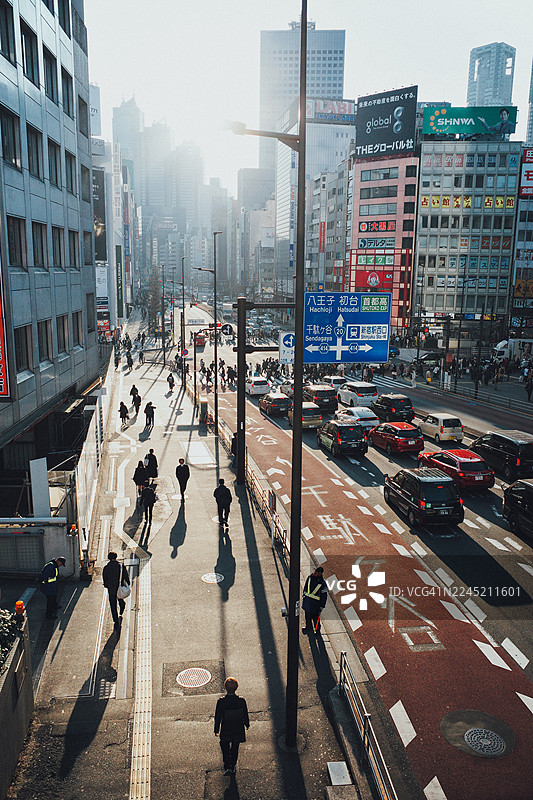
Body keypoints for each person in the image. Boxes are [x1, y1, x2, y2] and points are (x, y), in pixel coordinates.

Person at [214, 677, 250, 776]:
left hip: (226, 728)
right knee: (235, 747)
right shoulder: (241, 701)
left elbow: (218, 716)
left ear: (225, 687)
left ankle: (227, 765)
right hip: (237, 728)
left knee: (225, 746)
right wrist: (247, 724)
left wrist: (216, 729)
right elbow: (245, 714)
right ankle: (233, 765)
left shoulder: (221, 702)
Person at [102, 552, 130, 628]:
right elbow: (125, 575)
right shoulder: (121, 566)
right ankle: (122, 605)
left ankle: (116, 620)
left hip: (111, 589)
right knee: (120, 597)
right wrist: (128, 583)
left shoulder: (106, 568)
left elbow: (105, 579)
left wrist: (107, 585)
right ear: (116, 557)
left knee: (112, 604)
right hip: (119, 586)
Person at [301, 565, 328, 635]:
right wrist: (304, 595)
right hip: (308, 602)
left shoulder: (322, 583)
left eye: (316, 572)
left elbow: (324, 596)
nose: (315, 573)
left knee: (315, 619)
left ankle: (317, 630)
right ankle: (308, 628)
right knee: (307, 617)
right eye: (315, 571)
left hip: (316, 604)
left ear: (320, 574)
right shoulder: (310, 578)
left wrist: (322, 606)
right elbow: (306, 587)